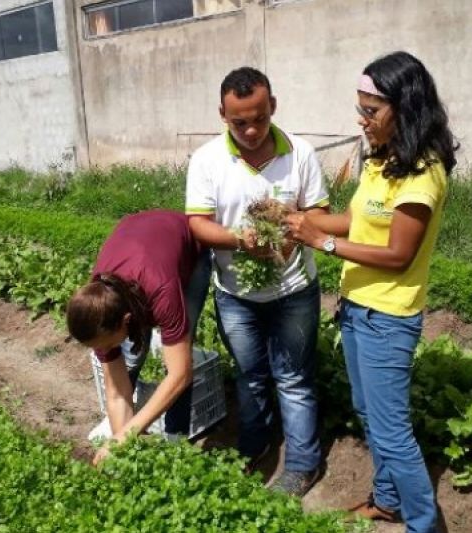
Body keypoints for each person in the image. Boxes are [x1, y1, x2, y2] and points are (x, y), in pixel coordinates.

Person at [286, 51, 458, 532]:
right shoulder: (384, 160)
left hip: (389, 317)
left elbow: (400, 254)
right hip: (358, 309)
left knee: (392, 430)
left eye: (371, 111)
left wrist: (322, 241)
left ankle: (424, 524)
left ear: (405, 108)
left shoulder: (424, 172)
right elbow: (362, 222)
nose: (361, 120)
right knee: (368, 413)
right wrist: (301, 219)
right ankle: (387, 500)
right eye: (359, 108)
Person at [185, 66, 329, 497]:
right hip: (235, 294)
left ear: (273, 107)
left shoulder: (300, 154)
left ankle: (303, 464)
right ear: (222, 115)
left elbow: (319, 213)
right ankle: (254, 446)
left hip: (293, 290)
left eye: (259, 118)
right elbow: (197, 224)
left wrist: (293, 229)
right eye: (239, 121)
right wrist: (238, 241)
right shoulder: (207, 160)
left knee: (293, 378)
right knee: (249, 376)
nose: (250, 129)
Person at [66, 209, 210, 465]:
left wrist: (127, 435)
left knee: (177, 356)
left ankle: (175, 441)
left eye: (110, 344)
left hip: (185, 247)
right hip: (139, 242)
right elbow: (116, 391)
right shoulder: (98, 303)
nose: (108, 350)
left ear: (126, 321)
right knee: (130, 360)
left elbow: (181, 374)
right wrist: (122, 445)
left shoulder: (163, 291)